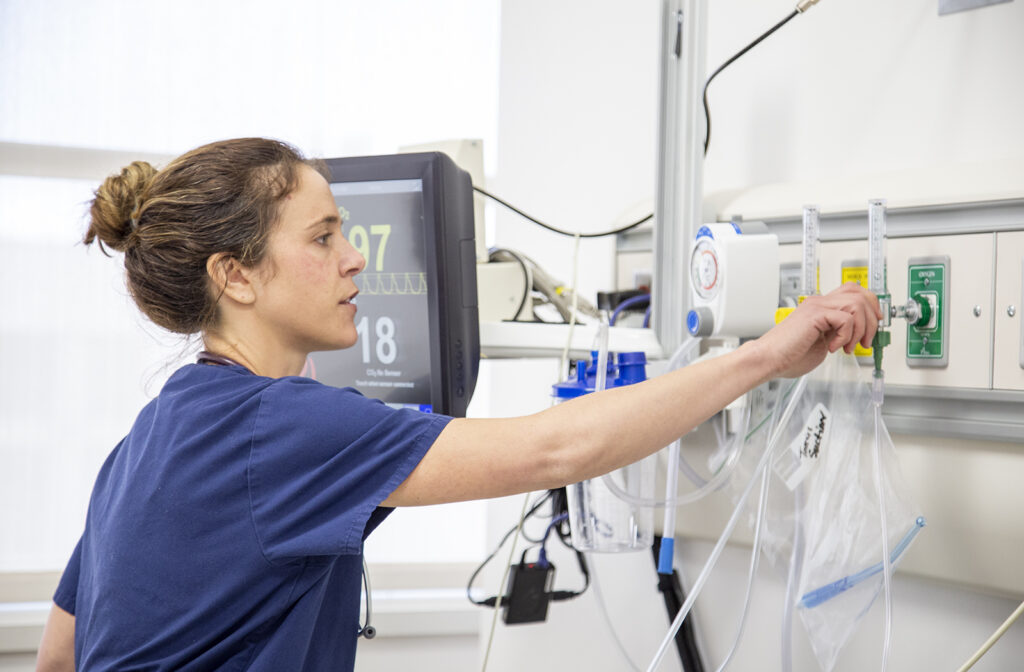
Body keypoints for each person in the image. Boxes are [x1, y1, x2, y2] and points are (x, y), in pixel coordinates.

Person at [35, 137, 881, 671]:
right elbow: (557, 451)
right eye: (324, 237)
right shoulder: (282, 428)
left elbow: (61, 653)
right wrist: (766, 355)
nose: (354, 260)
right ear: (237, 275)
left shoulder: (158, 431)